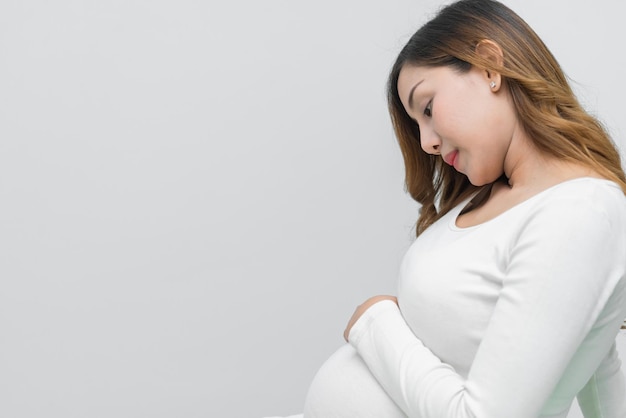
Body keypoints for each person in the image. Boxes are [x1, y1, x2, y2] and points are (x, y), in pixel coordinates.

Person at [277, 1, 626, 417]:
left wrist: (377, 324)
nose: (427, 142)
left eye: (427, 108)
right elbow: (602, 366)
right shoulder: (494, 195)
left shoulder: (580, 213)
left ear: (490, 67)